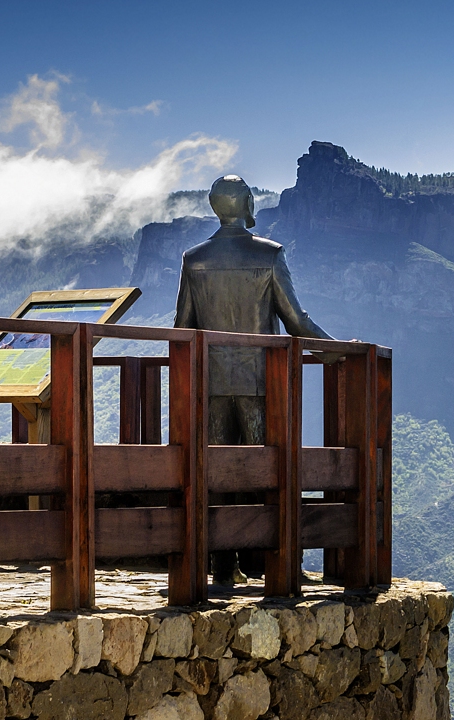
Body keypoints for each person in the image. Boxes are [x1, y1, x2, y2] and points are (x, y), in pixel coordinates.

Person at [175, 174, 333, 583]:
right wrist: (337, 350)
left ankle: (223, 569)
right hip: (261, 384)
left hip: (211, 385)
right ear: (245, 203)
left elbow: (183, 327)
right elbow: (296, 320)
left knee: (219, 474)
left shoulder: (194, 260)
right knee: (268, 472)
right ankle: (276, 564)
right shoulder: (270, 255)